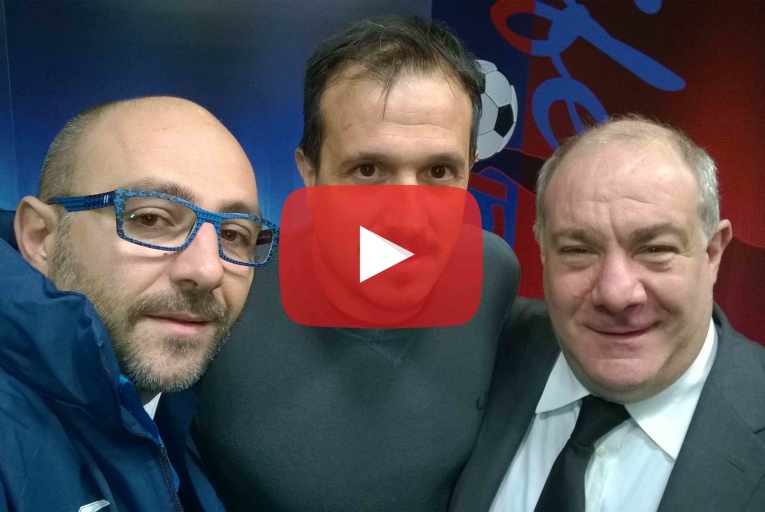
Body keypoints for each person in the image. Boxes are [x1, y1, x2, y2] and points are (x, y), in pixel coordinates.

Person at [189, 15, 520, 510]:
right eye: (368, 169)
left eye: (439, 171)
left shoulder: (493, 273)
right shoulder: (227, 283)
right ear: (310, 173)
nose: (408, 220)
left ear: (470, 169)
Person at [450, 116, 765, 512]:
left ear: (712, 254)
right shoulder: (481, 349)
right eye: (578, 250)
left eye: (655, 249)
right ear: (544, 254)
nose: (616, 294)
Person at [0, 96, 278, 510]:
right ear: (41, 238)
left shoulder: (205, 412)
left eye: (234, 234)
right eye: (151, 218)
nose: (208, 270)